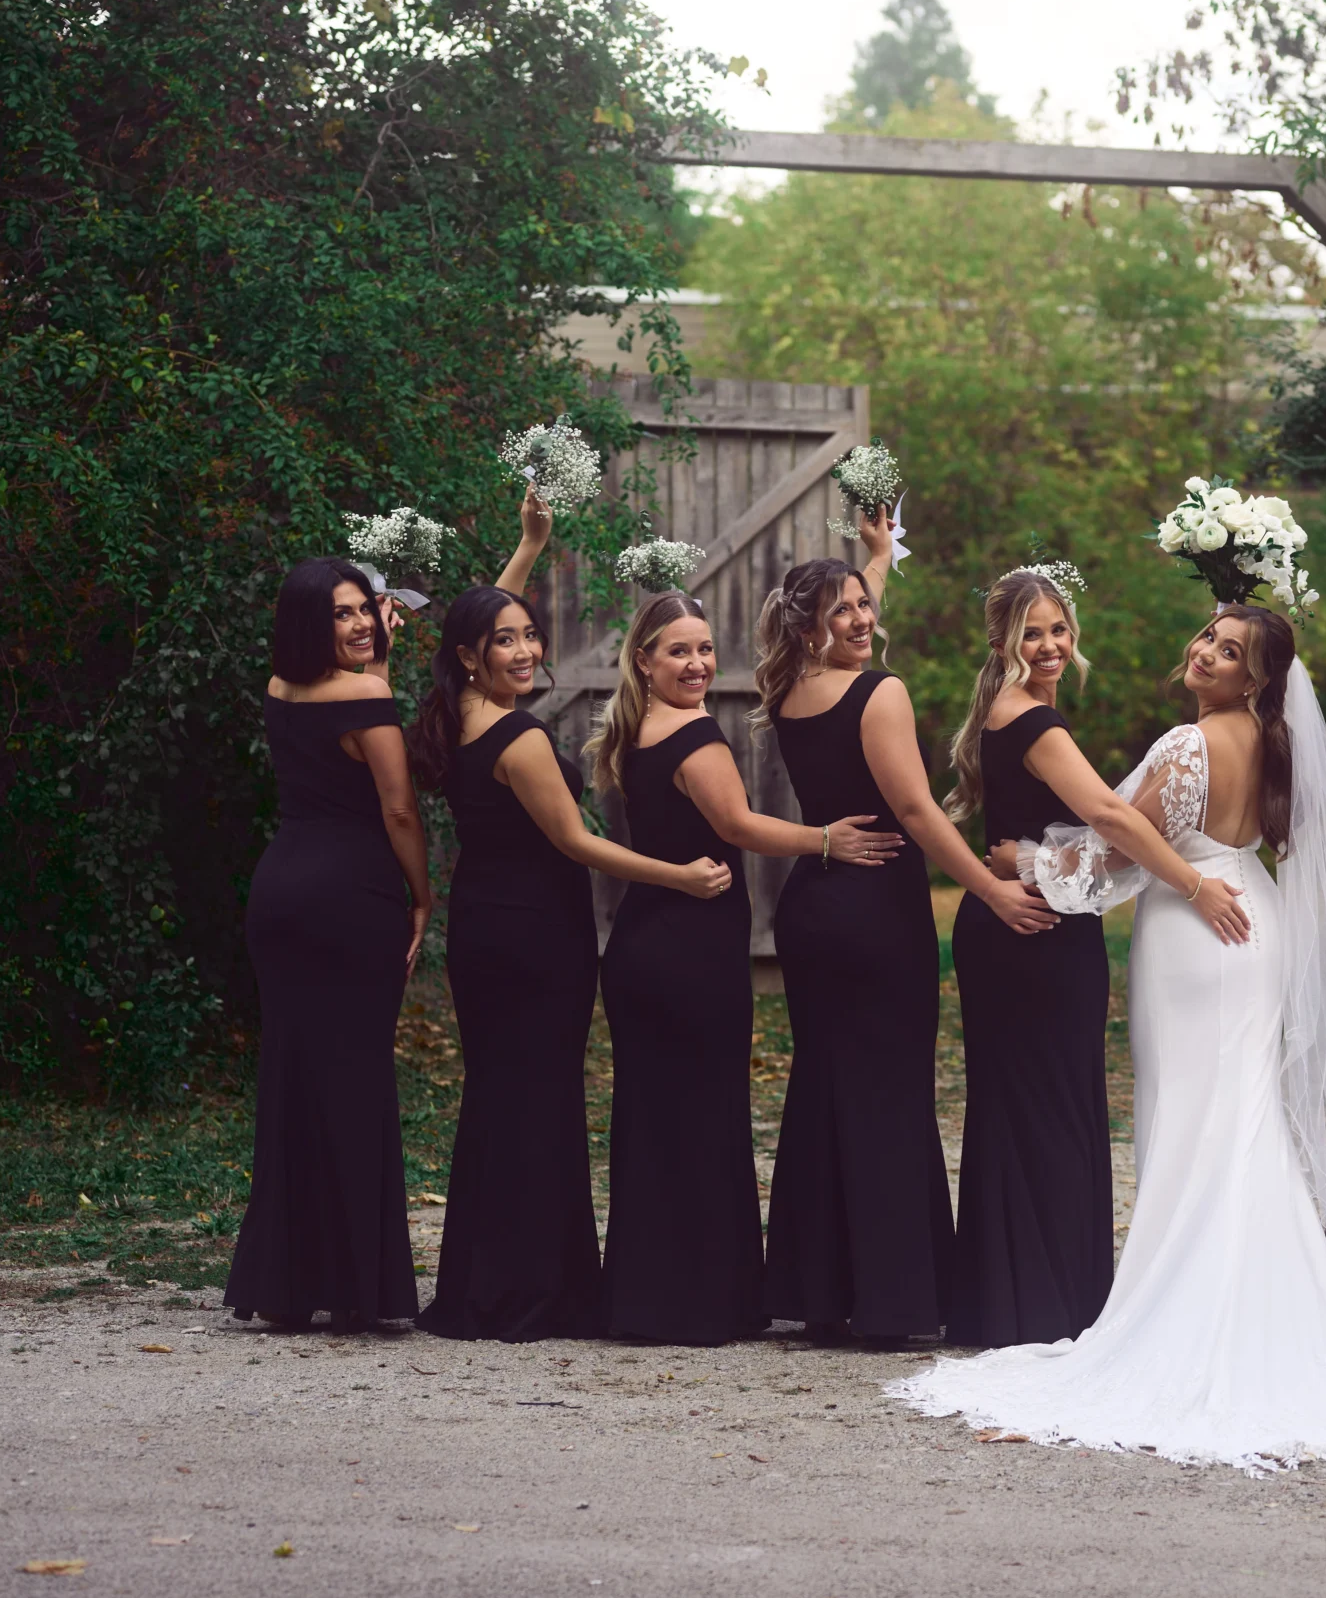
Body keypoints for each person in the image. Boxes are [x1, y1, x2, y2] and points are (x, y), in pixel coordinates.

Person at [893, 607, 1326, 1469]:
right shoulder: (1276, 743)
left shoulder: (1185, 747)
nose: (1205, 651)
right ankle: (1272, 1314)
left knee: (1193, 1120)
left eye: (1229, 650)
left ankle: (1191, 1311)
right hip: (1259, 917)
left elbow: (1119, 848)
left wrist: (1030, 863)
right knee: (1246, 1118)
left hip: (1199, 930)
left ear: (1254, 677)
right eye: (1208, 636)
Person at [409, 575, 728, 1344]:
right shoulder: (518, 739)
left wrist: (526, 550)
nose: (525, 650)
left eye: (529, 634)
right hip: (537, 936)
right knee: (540, 1102)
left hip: (483, 924)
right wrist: (679, 874)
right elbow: (577, 842)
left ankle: (488, 1285)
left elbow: (473, 616)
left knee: (499, 1098)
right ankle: (531, 1294)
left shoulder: (457, 716)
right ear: (470, 655)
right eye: (505, 640)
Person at [944, 568, 1252, 1348]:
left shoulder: (1018, 711)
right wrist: (1193, 884)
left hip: (1038, 921)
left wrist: (1031, 860)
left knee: (1044, 1108)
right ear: (1003, 641)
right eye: (1034, 633)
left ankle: (1023, 1300)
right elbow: (1111, 814)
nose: (1051, 645)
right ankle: (1042, 1305)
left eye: (1059, 629)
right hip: (1033, 936)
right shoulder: (1036, 726)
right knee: (1044, 1111)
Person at [585, 591, 904, 1345]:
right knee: (701, 1116)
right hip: (689, 947)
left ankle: (645, 1295)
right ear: (644, 660)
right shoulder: (695, 736)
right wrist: (825, 839)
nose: (697, 664)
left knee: (656, 1119)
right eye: (678, 652)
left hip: (642, 940)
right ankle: (704, 1302)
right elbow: (736, 825)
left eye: (703, 649)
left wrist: (878, 562)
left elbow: (841, 623)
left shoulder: (633, 730)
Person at [754, 554, 1056, 1343]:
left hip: (814, 903)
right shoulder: (879, 692)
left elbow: (840, 641)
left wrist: (876, 560)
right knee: (885, 1091)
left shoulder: (788, 690)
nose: (862, 619)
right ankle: (892, 1300)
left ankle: (824, 1288)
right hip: (876, 910)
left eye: (865, 605)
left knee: (827, 1086)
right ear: (807, 624)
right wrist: (988, 891)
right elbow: (918, 813)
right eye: (843, 610)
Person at [225, 559, 433, 1333]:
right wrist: (423, 895)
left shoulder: (280, 689)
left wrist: (376, 662)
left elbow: (334, 722)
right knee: (354, 1082)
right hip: (352, 897)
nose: (357, 624)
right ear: (309, 625)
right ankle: (359, 1287)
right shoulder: (367, 694)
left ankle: (284, 1284)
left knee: (295, 1082)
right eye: (340, 614)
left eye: (362, 612)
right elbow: (400, 808)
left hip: (280, 891)